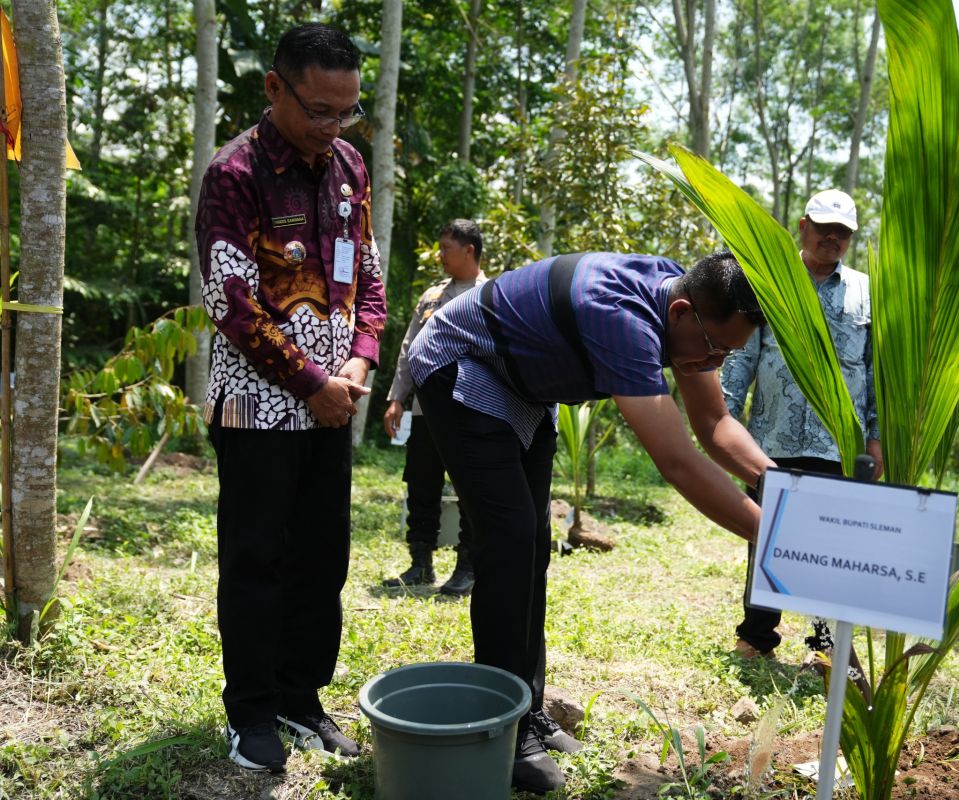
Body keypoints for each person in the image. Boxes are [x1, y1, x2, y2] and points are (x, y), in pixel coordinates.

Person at [408, 251, 773, 794]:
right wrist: (778, 539)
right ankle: (504, 731)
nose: (714, 361)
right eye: (716, 348)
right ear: (680, 314)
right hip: (464, 363)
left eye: (729, 352)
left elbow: (715, 422)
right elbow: (676, 461)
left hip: (526, 386)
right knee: (509, 541)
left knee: (533, 545)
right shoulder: (623, 319)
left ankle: (527, 711)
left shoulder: (691, 306)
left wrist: (792, 497)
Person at [196, 23, 386, 773]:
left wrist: (361, 367)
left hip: (336, 400)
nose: (331, 126)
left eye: (346, 111)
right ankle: (250, 713)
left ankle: (300, 697)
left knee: (321, 556)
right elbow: (230, 299)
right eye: (317, 109)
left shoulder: (348, 167)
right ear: (274, 88)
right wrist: (313, 382)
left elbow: (369, 277)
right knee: (256, 557)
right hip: (260, 404)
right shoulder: (235, 172)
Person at [721, 189, 881, 660]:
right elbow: (739, 359)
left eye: (843, 232)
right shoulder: (769, 282)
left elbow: (873, 372)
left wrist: (874, 438)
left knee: (830, 547)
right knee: (767, 535)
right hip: (771, 440)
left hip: (838, 443)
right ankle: (756, 638)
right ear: (803, 226)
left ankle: (826, 646)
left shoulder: (865, 292)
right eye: (825, 227)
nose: (833, 237)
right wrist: (725, 428)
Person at [382, 220, 487, 596]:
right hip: (428, 411)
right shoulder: (431, 297)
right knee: (421, 482)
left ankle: (468, 566)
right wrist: (397, 398)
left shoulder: (491, 294)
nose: (440, 255)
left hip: (471, 409)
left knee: (469, 488)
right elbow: (410, 349)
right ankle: (420, 563)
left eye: (446, 247)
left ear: (469, 250)